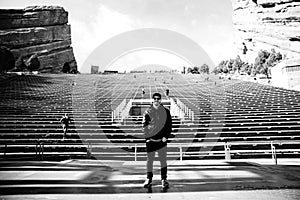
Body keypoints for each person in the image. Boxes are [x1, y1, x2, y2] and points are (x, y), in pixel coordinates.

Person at [142, 92, 172, 190]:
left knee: (163, 161)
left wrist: (166, 137)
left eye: (158, 99)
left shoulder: (166, 111)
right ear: (152, 100)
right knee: (149, 161)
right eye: (155, 98)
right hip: (151, 141)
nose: (156, 100)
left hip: (161, 141)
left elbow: (169, 126)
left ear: (160, 100)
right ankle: (149, 178)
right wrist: (147, 138)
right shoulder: (148, 111)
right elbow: (144, 125)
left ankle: (164, 179)